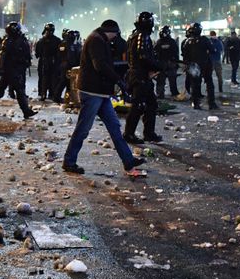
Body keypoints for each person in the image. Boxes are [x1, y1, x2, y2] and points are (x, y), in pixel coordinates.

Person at [62, 20, 146, 175]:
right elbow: (100, 65)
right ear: (111, 31)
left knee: (115, 127)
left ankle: (128, 162)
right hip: (92, 93)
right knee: (83, 129)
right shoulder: (96, 40)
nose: (115, 38)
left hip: (101, 93)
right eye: (115, 34)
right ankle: (69, 161)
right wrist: (118, 81)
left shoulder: (99, 39)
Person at [123, 11, 164, 144]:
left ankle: (149, 133)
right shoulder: (143, 36)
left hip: (137, 74)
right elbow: (143, 57)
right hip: (140, 75)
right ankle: (129, 134)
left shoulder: (133, 36)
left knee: (151, 104)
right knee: (138, 106)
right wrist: (159, 66)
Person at [0, 21, 35, 119]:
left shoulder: (9, 40)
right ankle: (26, 111)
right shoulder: (13, 42)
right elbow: (6, 56)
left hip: (11, 70)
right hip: (14, 70)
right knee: (19, 92)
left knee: (0, 91)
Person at [181, 23, 216, 109]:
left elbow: (184, 55)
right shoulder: (204, 40)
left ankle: (195, 103)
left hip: (193, 66)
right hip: (205, 65)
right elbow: (213, 50)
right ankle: (211, 103)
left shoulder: (187, 41)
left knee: (195, 85)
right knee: (209, 84)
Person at [34, 23, 61, 102]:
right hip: (49, 62)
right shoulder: (56, 40)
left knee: (45, 78)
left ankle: (44, 93)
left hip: (46, 62)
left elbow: (37, 54)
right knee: (49, 78)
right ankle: (48, 93)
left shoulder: (41, 41)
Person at [154, 25, 180, 99]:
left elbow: (154, 53)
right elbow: (176, 53)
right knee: (172, 80)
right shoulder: (172, 42)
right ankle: (174, 94)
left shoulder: (158, 42)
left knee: (161, 80)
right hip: (171, 63)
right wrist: (176, 63)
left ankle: (160, 94)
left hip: (161, 64)